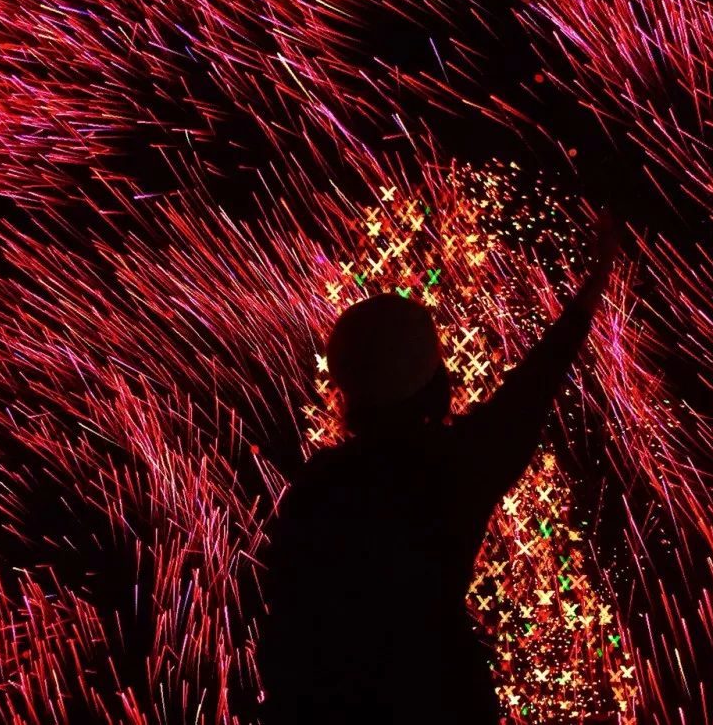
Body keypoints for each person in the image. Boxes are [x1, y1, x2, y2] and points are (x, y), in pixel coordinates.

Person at [256, 211, 620, 723]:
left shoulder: (318, 485)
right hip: (443, 699)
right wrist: (597, 280)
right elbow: (535, 385)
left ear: (346, 387)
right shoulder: (456, 466)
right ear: (433, 377)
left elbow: (284, 622)